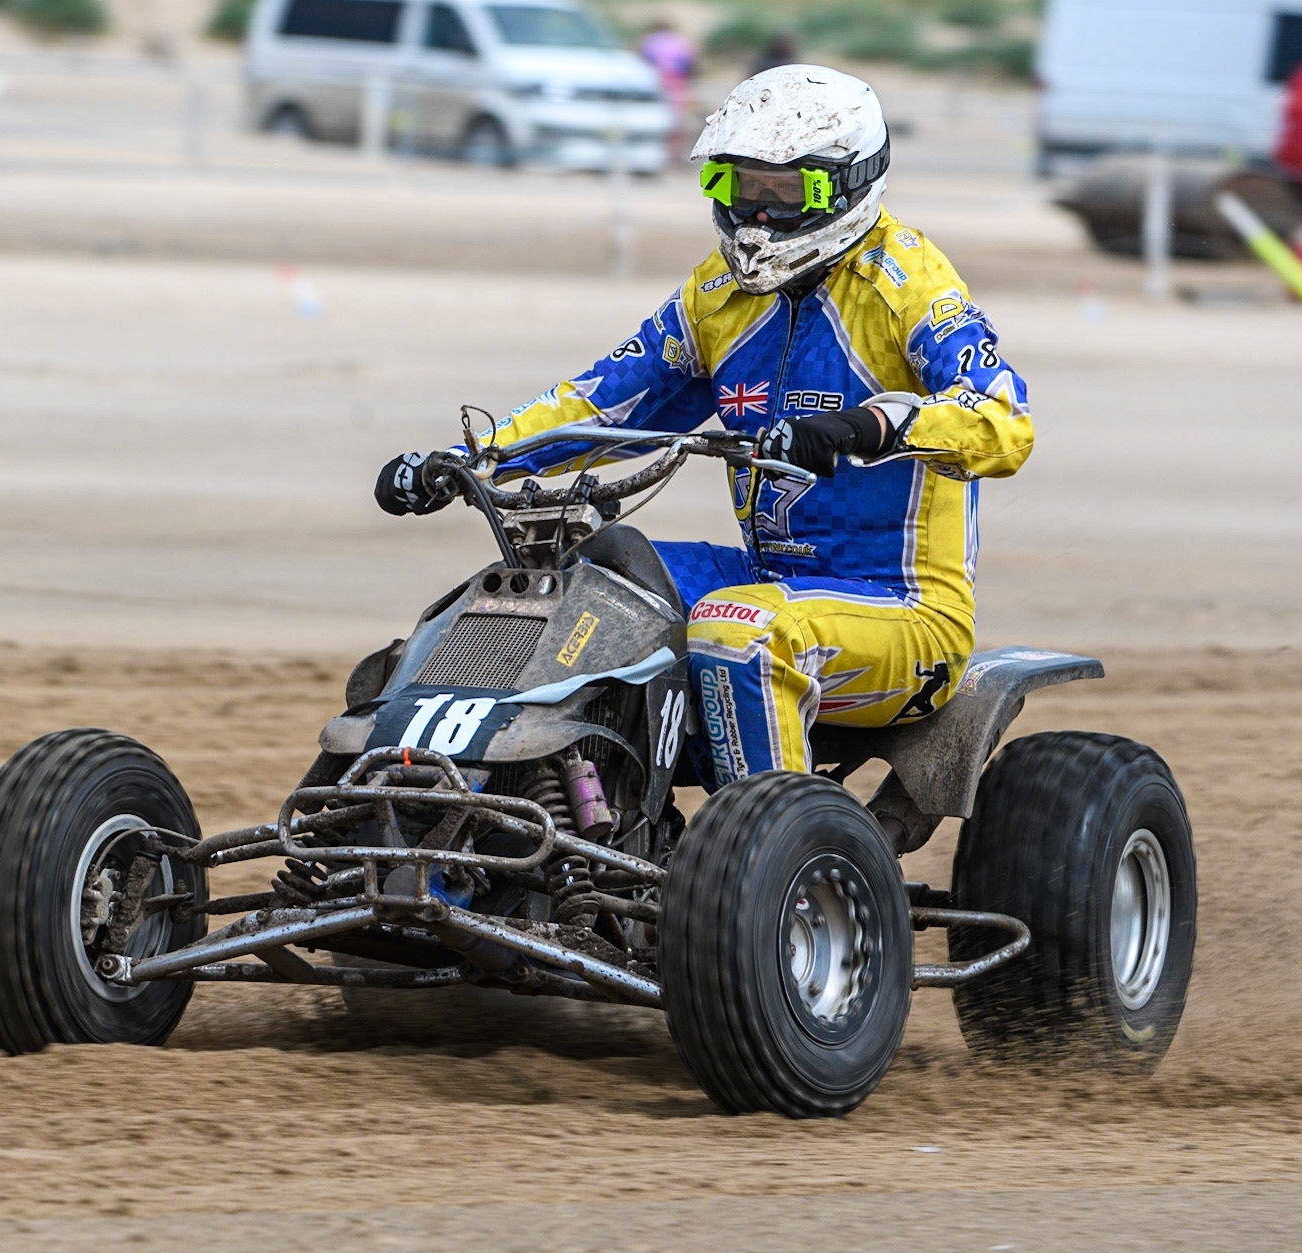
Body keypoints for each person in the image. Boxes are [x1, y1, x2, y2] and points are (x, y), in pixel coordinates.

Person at [375, 65, 1033, 789]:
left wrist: (867, 428)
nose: (756, 215)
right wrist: (471, 456)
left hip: (906, 612)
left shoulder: (908, 284)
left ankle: (773, 866)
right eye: (738, 186)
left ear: (847, 186)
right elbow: (604, 399)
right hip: (764, 578)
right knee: (582, 585)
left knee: (736, 630)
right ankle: (546, 824)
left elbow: (1003, 421)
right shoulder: (716, 295)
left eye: (786, 193)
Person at [637, 21, 699, 161]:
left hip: (656, 84)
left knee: (655, 120)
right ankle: (675, 156)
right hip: (679, 84)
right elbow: (691, 66)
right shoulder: (682, 43)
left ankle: (655, 154)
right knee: (678, 122)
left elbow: (642, 63)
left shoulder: (650, 42)